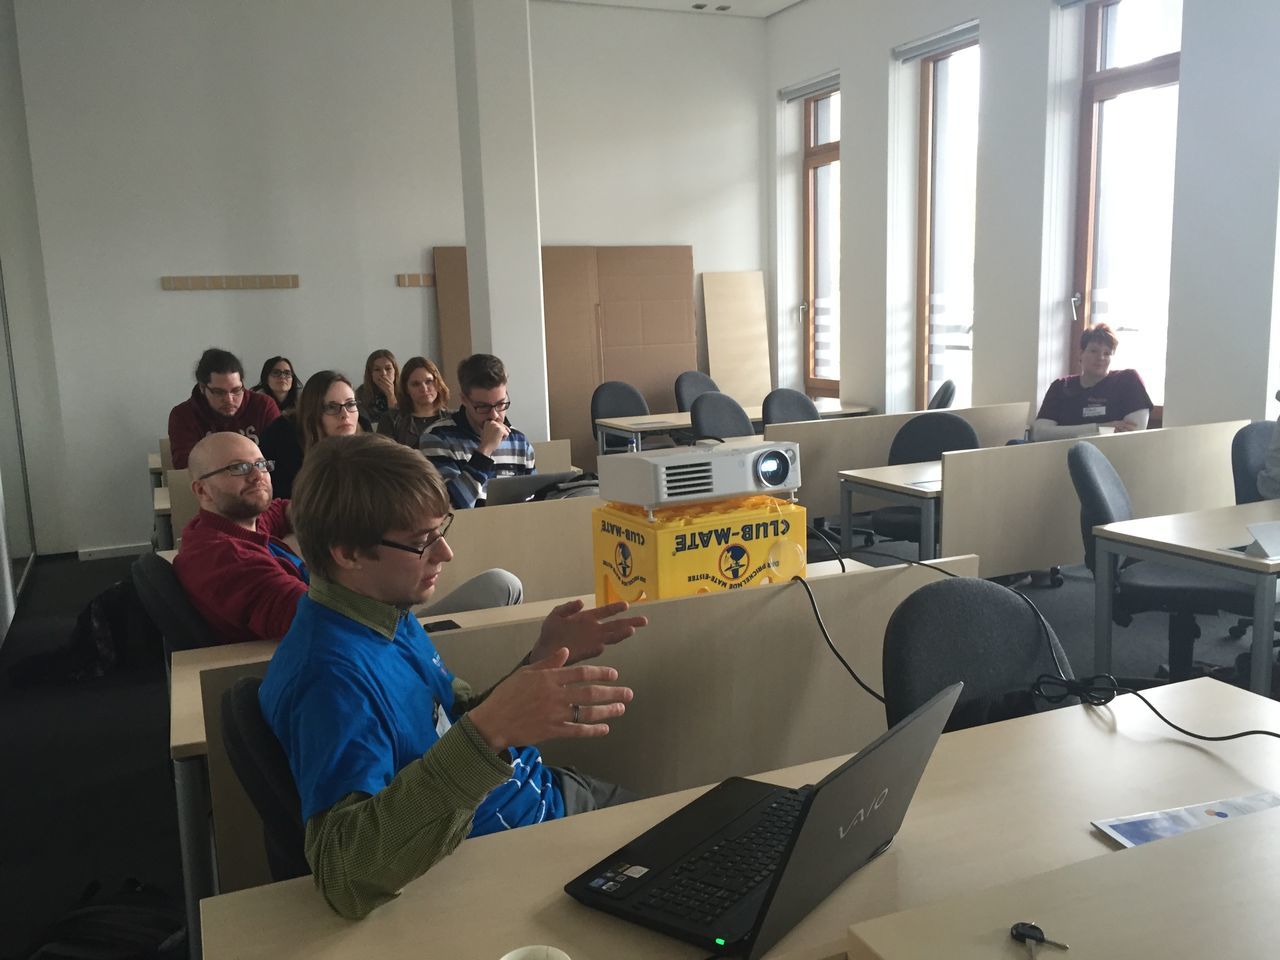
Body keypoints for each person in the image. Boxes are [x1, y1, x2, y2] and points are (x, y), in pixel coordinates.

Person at [259, 433, 646, 918]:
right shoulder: (331, 679)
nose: (445, 554)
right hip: (510, 854)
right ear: (347, 553)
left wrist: (539, 660)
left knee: (694, 837)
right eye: (422, 542)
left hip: (536, 795)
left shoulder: (384, 614)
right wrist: (490, 734)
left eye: (442, 530)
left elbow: (450, 724)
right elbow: (344, 873)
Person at [174, 431, 524, 646]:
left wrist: (342, 509)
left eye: (262, 464)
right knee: (501, 586)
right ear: (201, 490)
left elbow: (284, 510)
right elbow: (318, 617)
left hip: (370, 630)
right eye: (238, 469)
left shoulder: (239, 525)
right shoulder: (223, 557)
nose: (257, 476)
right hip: (369, 639)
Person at [420, 353, 536, 508]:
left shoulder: (519, 442)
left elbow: (534, 502)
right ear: (464, 400)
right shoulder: (437, 438)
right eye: (483, 407)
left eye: (501, 404)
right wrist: (484, 451)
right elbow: (450, 507)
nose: (494, 415)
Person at [1030, 323, 1153, 441]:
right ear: (1081, 354)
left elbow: (1133, 433)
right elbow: (1039, 433)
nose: (1100, 357)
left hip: (1109, 457)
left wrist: (1065, 432)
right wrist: (1100, 428)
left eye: (1107, 353)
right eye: (1094, 351)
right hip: (1060, 455)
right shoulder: (1061, 386)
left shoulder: (1128, 381)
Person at [258, 371, 366, 499]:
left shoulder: (365, 436)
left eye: (350, 404)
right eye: (331, 407)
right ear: (313, 412)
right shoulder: (283, 438)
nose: (345, 414)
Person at [167, 347, 280, 469]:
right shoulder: (183, 415)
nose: (229, 399)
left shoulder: (263, 406)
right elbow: (185, 466)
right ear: (202, 388)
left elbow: (281, 456)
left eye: (236, 390)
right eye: (219, 392)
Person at [377, 356, 451, 449]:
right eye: (416, 384)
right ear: (406, 389)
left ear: (438, 383)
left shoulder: (453, 420)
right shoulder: (391, 420)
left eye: (429, 381)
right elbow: (384, 458)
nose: (424, 388)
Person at [354, 349, 399, 424]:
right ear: (370, 373)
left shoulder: (406, 392)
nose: (383, 373)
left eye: (388, 369)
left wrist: (390, 395)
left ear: (395, 371)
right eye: (377, 369)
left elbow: (400, 424)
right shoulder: (361, 394)